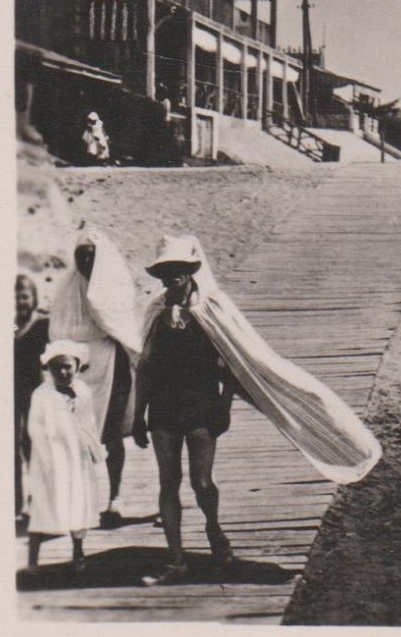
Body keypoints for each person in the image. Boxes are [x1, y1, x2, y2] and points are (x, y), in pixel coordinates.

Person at [131, 235, 381, 584]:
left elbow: (235, 362)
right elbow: (145, 367)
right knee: (168, 482)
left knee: (202, 482)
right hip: (163, 405)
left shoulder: (212, 307)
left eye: (178, 271)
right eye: (165, 271)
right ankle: (175, 561)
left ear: (191, 272)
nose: (171, 277)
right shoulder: (156, 312)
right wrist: (138, 414)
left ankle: (216, 534)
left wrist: (225, 405)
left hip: (201, 403)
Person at [48, 230, 142, 529]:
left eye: (91, 254)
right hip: (74, 371)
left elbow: (124, 327)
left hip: (112, 369)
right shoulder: (67, 290)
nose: (86, 260)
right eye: (81, 254)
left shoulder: (115, 286)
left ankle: (115, 498)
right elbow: (58, 332)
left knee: (112, 435)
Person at [24, 341, 103, 575]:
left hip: (76, 458)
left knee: (78, 502)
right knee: (43, 505)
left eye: (68, 367)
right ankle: (33, 560)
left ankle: (78, 551)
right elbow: (35, 429)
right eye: (56, 367)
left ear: (77, 366)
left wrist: (93, 449)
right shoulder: (42, 395)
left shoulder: (83, 392)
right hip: (50, 458)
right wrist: (48, 459)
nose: (63, 372)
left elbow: (89, 423)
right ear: (48, 369)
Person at [14, 274, 50, 525]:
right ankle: (16, 503)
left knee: (33, 446)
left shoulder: (42, 324)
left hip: (33, 391)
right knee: (9, 450)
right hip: (7, 392)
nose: (20, 301)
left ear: (34, 298)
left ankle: (37, 502)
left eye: (25, 296)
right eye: (16, 296)